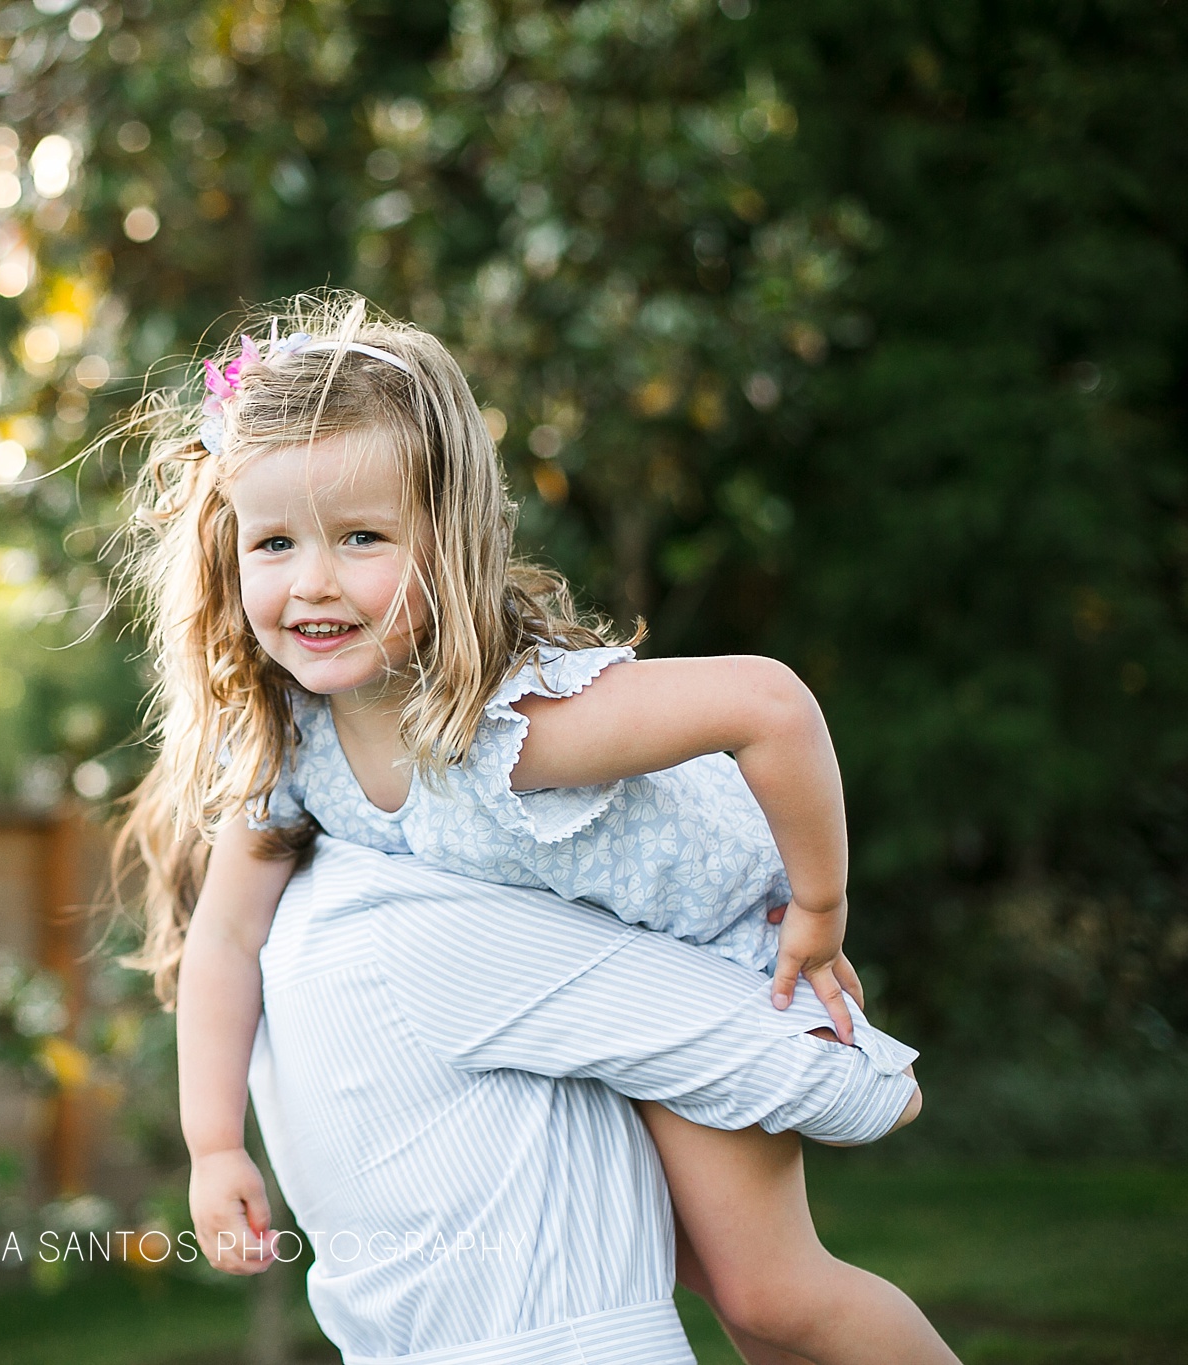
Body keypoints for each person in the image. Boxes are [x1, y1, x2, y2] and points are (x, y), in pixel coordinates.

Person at [114, 294, 957, 1364]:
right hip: (567, 984)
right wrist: (211, 1142)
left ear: (448, 539)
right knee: (705, 1279)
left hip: (687, 949)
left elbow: (769, 706)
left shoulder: (517, 725)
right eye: (274, 542)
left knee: (770, 1294)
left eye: (361, 538)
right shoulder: (292, 739)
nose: (312, 582)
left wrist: (820, 909)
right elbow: (225, 940)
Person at [248, 835, 920, 1365]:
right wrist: (866, 1072)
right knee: (772, 1290)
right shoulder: (404, 909)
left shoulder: (278, 954)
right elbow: (853, 1087)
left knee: (760, 1288)